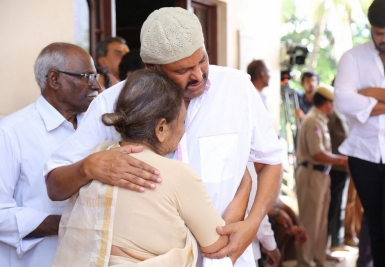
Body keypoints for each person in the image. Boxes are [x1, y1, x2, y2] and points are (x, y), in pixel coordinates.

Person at [45, 7, 283, 266]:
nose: (198, 75)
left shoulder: (237, 89)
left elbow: (271, 161)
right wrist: (87, 167)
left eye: (201, 60)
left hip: (229, 258)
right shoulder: (112, 102)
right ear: (151, 68)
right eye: (182, 70)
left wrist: (253, 222)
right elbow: (55, 185)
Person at [53, 69, 239, 266]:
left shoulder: (99, 157)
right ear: (161, 129)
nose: (185, 130)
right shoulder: (177, 175)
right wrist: (243, 188)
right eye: (182, 121)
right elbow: (217, 245)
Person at [0, 42, 101, 267]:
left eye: (96, 75)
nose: (97, 85)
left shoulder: (96, 127)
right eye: (87, 76)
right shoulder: (11, 132)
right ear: (54, 79)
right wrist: (67, 223)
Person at [334, 0, 385, 265]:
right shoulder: (353, 57)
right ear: (371, 28)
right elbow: (343, 101)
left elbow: (355, 101)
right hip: (362, 154)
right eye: (379, 32)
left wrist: (369, 93)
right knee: (375, 227)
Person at [295, 85, 348, 267]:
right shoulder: (313, 121)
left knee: (321, 221)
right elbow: (317, 154)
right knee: (310, 221)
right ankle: (305, 261)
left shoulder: (321, 120)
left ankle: (318, 257)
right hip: (311, 174)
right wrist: (342, 160)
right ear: (327, 103)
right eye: (332, 103)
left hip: (322, 175)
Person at [326, 107, 349, 250]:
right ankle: (328, 245)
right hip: (335, 166)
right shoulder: (331, 111)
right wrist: (340, 160)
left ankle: (336, 242)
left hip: (342, 166)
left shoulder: (341, 111)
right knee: (331, 208)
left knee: (339, 206)